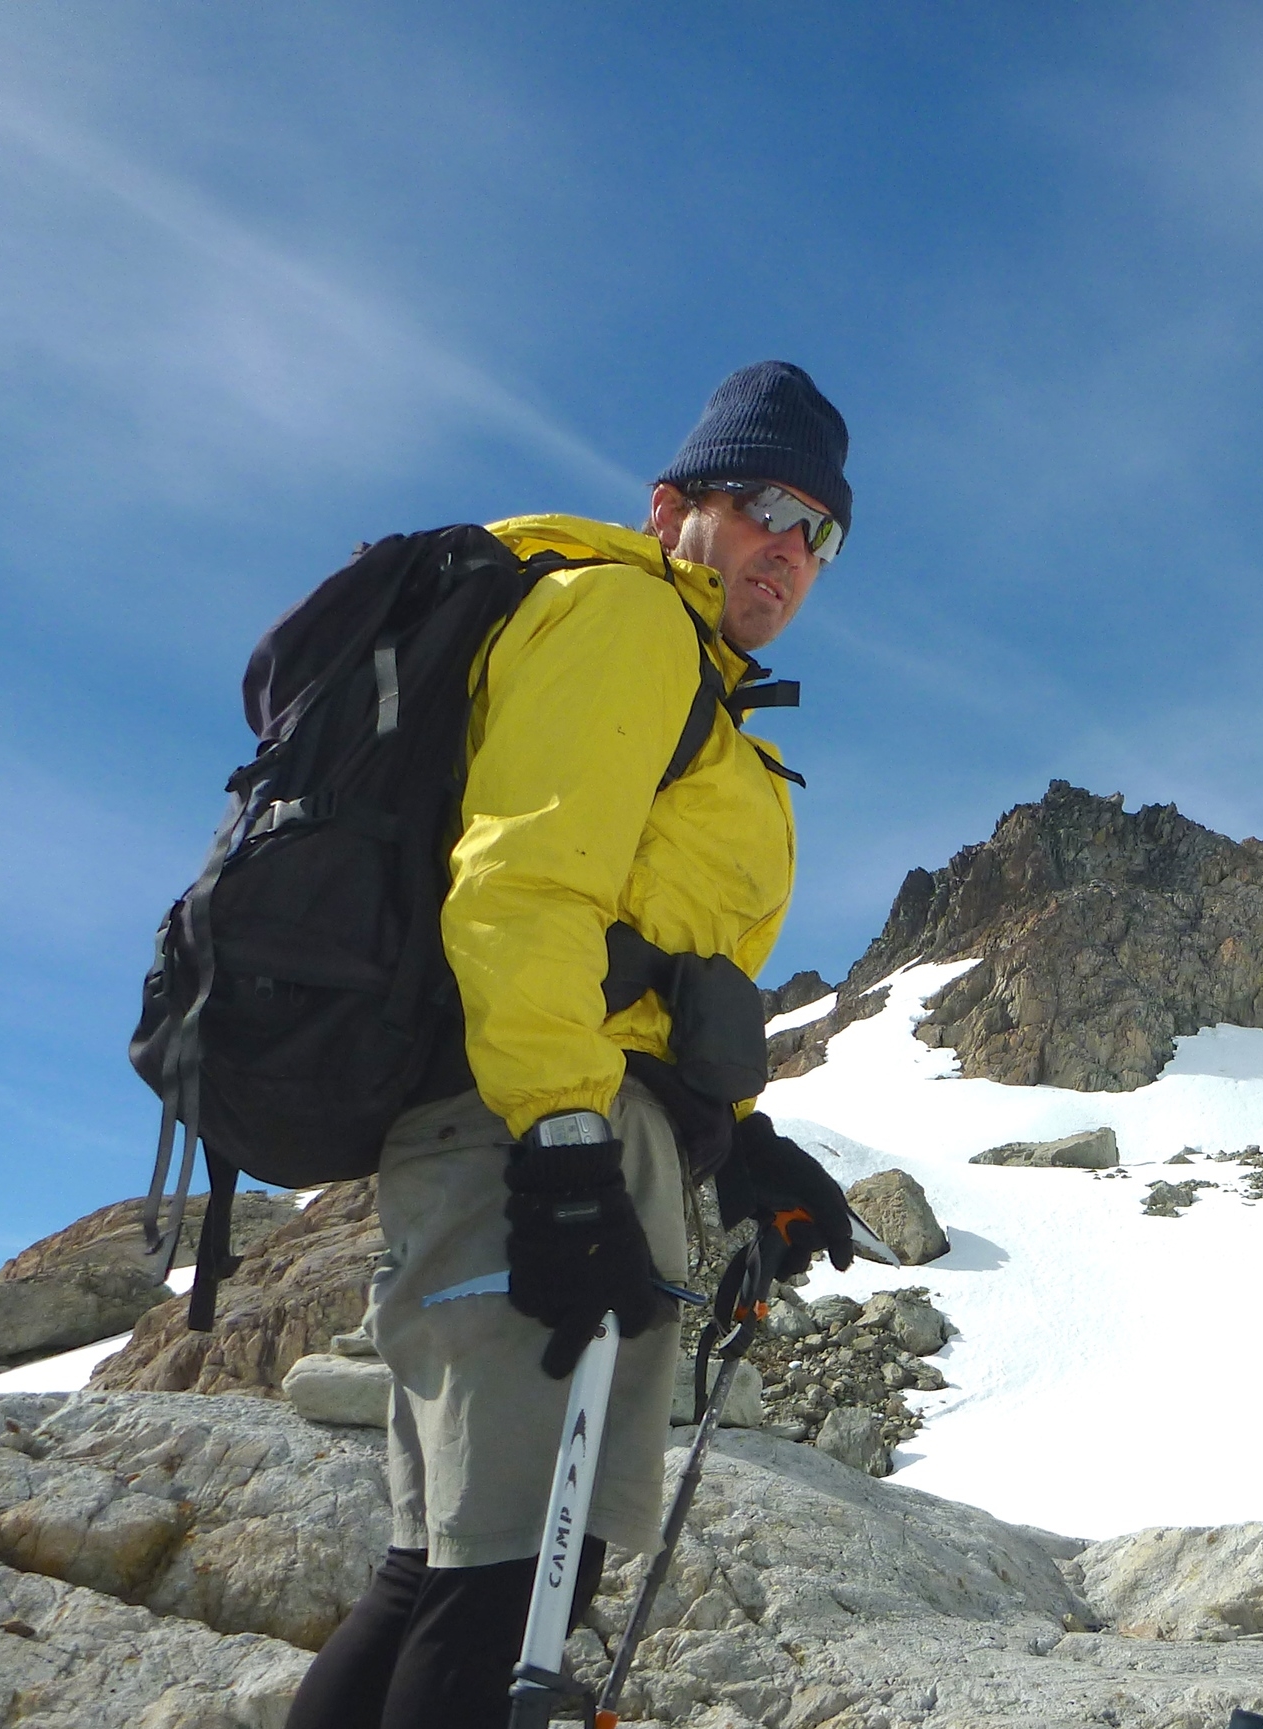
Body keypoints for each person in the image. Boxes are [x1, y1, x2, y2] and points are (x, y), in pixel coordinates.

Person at [288, 361, 863, 1729]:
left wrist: (739, 1141)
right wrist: (561, 1146)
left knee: (451, 1572)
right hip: (527, 1127)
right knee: (509, 1592)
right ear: (676, 507)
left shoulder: (699, 688)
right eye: (766, 505)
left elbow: (640, 963)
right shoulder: (627, 619)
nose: (789, 548)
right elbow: (524, 891)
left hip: (552, 1113)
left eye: (821, 531)